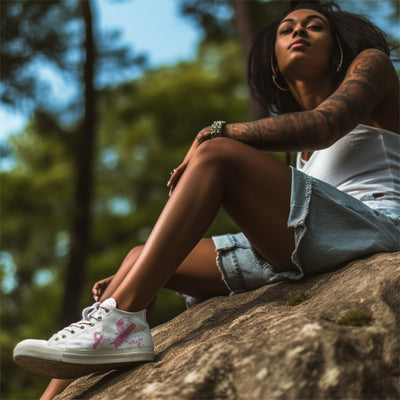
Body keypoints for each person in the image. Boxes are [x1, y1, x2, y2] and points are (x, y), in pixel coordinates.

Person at [14, 0, 400, 398]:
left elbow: (324, 124)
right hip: (315, 246)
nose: (298, 32)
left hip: (375, 226)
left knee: (216, 154)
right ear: (274, 65)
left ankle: (121, 322)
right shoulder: (297, 156)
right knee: (136, 260)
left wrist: (217, 131)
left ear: (337, 47)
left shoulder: (374, 68)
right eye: (286, 29)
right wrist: (135, 278)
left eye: (314, 26)